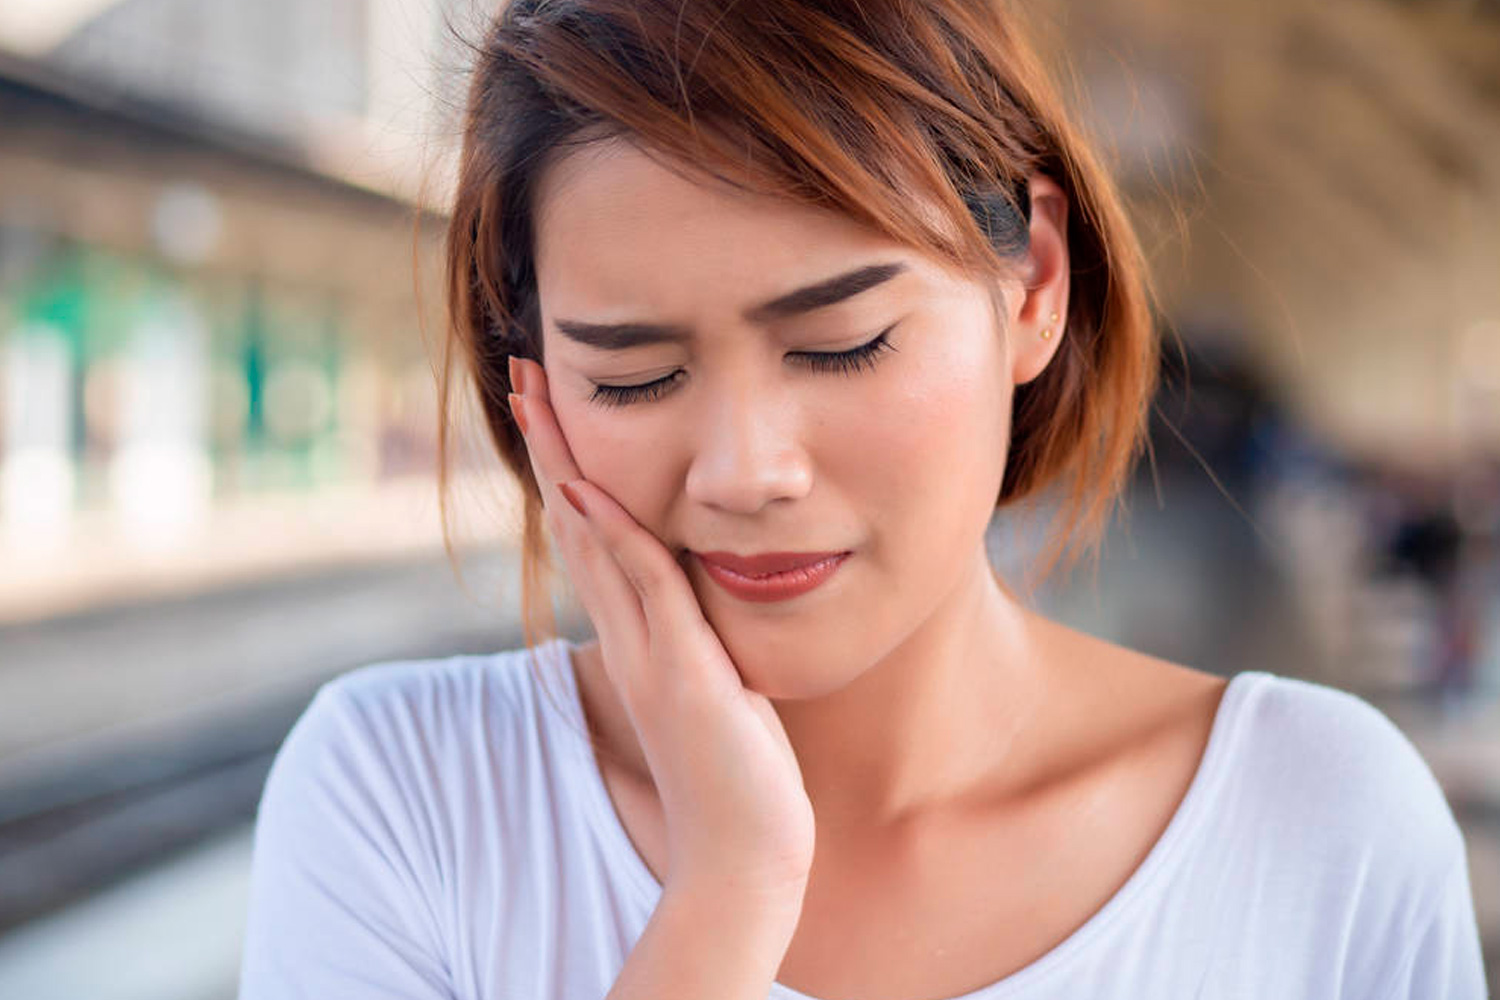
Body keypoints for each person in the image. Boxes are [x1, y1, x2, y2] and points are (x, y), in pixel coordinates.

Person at [238, 1, 1489, 997]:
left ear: (1035, 284)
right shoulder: (405, 798)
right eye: (634, 373)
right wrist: (727, 895)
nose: (744, 469)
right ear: (535, 387)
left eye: (840, 343)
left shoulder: (1319, 822)